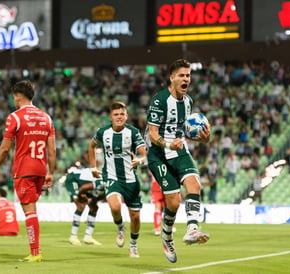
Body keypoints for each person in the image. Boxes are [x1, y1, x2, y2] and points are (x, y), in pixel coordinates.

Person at [146, 59, 210, 263]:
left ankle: (192, 228)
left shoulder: (188, 102)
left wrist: (203, 137)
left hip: (179, 150)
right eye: (181, 75)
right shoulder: (160, 100)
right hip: (159, 155)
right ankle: (166, 236)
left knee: (195, 184)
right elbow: (152, 134)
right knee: (173, 202)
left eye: (188, 75)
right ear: (172, 78)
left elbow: (185, 131)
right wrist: (167, 144)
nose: (186, 79)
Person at [0, 80, 56, 262]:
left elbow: (5, 148)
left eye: (14, 97)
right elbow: (52, 150)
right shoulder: (47, 117)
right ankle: (35, 251)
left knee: (29, 211)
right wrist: (50, 172)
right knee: (31, 209)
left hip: (24, 170)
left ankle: (35, 253)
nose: (14, 100)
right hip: (40, 170)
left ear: (18, 97)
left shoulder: (15, 117)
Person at [88, 101, 146, 258]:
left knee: (135, 216)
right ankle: (120, 227)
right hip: (111, 176)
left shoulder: (133, 132)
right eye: (116, 115)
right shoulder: (103, 132)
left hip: (130, 179)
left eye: (122, 114)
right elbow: (91, 146)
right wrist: (93, 168)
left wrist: (140, 160)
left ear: (126, 116)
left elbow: (143, 152)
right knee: (114, 206)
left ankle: (133, 245)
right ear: (110, 117)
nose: (119, 117)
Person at [64, 164, 106, 246]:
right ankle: (73, 236)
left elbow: (99, 197)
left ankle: (88, 237)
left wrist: (91, 202)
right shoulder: (102, 182)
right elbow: (84, 188)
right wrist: (80, 195)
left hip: (83, 183)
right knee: (81, 205)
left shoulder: (110, 188)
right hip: (73, 179)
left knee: (94, 207)